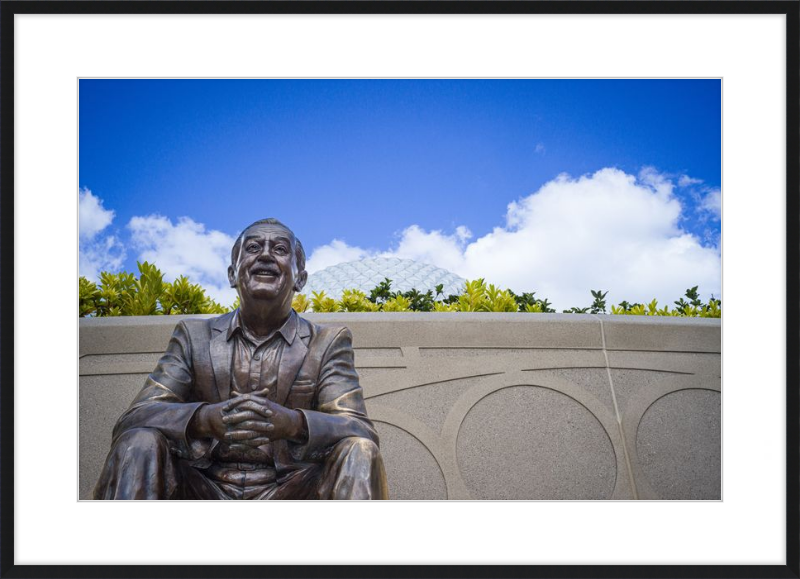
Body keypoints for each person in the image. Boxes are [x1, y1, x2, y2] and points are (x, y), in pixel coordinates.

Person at [94, 218, 388, 500]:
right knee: (139, 440)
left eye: (280, 249)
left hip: (293, 490)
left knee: (359, 449)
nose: (265, 256)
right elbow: (136, 417)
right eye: (253, 248)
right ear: (232, 274)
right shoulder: (194, 335)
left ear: (300, 278)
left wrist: (293, 424)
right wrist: (204, 419)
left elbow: (358, 427)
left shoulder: (327, 342)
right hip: (201, 488)